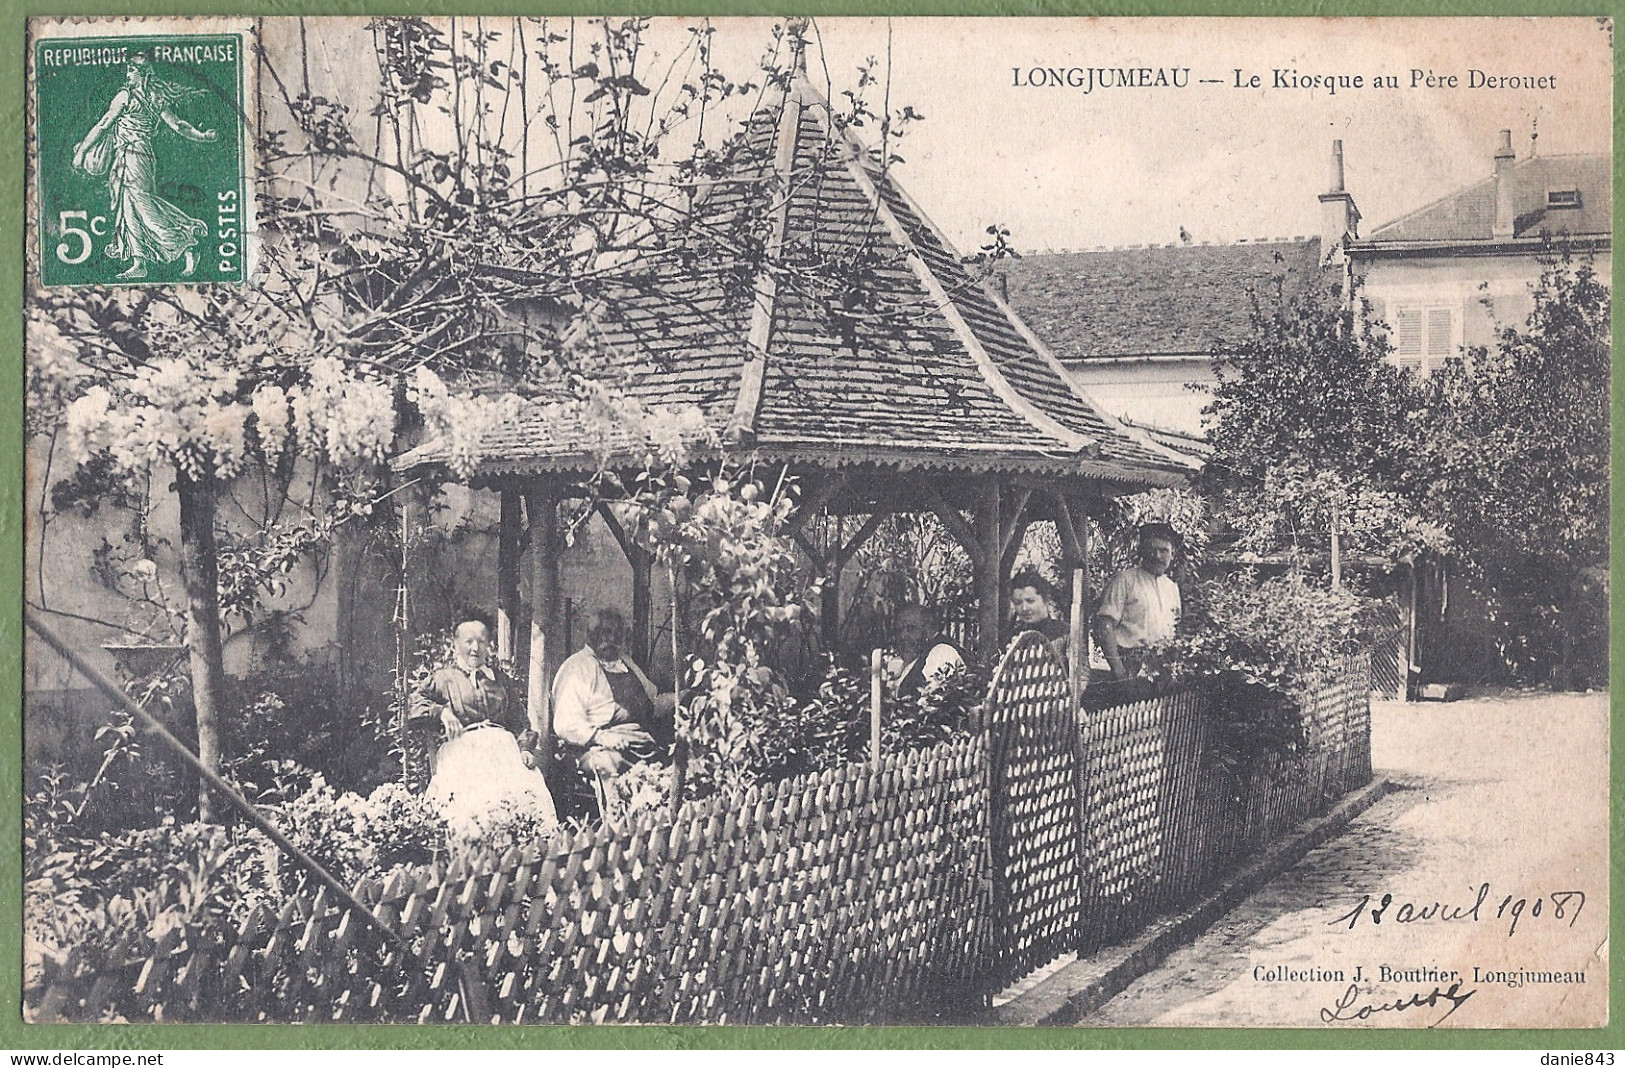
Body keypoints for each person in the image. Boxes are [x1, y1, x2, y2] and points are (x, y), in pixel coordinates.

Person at [72, 53, 217, 280]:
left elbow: (102, 125)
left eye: (130, 71)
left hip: (134, 157)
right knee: (129, 209)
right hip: (133, 156)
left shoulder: (125, 97)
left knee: (143, 207)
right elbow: (179, 126)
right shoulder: (154, 97)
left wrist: (81, 152)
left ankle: (187, 242)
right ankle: (139, 262)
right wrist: (203, 136)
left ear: (140, 74)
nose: (127, 75)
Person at [411, 618, 557, 833]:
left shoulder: (500, 680)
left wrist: (525, 747)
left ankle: (521, 849)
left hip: (503, 749)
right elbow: (412, 705)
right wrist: (440, 711)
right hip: (463, 750)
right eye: (468, 641)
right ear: (455, 645)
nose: (475, 648)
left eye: (481, 641)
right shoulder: (443, 679)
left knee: (524, 795)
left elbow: (519, 721)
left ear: (489, 645)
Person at [552, 608, 676, 790]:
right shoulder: (578, 667)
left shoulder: (626, 663)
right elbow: (565, 723)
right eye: (606, 632)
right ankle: (615, 817)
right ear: (590, 635)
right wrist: (600, 736)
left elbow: (653, 702)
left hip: (642, 745)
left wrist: (678, 698)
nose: (612, 640)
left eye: (617, 634)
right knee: (609, 762)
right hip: (598, 749)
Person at [1094, 523, 1183, 686]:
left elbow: (1176, 630)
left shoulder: (1172, 588)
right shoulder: (1124, 580)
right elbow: (1104, 626)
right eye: (1152, 549)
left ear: (1172, 554)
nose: (1157, 556)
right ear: (1142, 551)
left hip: (1164, 668)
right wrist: (1119, 672)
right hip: (1131, 666)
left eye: (1163, 551)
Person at [890, 604, 966, 699]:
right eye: (899, 630)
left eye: (911, 628)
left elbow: (932, 701)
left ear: (928, 627)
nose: (903, 637)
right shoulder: (915, 657)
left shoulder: (941, 652)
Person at [1010, 569, 1069, 661]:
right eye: (1018, 602)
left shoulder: (1065, 633)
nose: (1024, 608)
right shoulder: (1012, 634)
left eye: (1030, 601)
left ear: (1046, 600)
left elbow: (1082, 674)